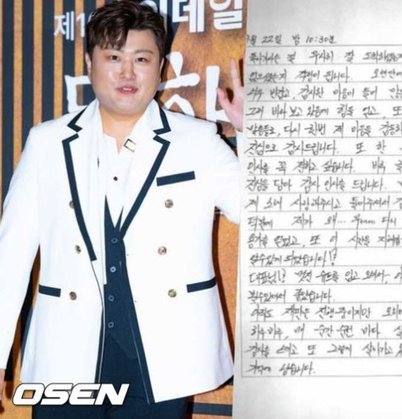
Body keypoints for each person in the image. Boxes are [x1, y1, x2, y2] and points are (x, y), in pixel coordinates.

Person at [0, 1, 243, 417]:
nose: (127, 73)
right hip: (66, 357)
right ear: (90, 64)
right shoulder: (47, 143)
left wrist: (253, 133)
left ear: (160, 68)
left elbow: (260, 214)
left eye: (141, 59)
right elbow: (10, 256)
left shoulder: (197, 141)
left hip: (163, 362)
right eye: (114, 57)